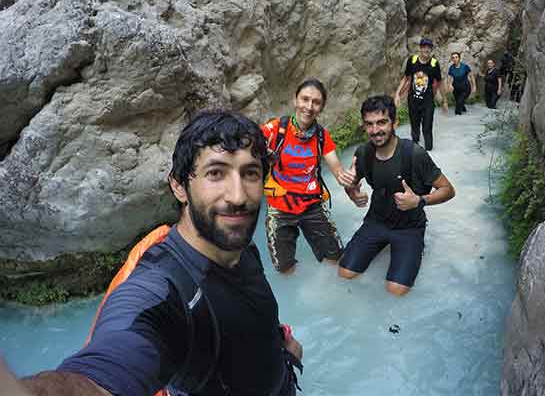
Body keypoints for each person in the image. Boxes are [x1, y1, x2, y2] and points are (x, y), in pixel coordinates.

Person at [0, 110, 303, 396]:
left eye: (250, 173)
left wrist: (279, 349)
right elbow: (103, 373)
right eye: (215, 173)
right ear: (179, 187)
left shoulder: (237, 243)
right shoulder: (161, 292)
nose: (237, 196)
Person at [338, 95, 455, 296]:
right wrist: (353, 194)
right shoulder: (363, 152)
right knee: (345, 274)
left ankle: (414, 248)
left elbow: (448, 190)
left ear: (395, 122)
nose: (375, 131)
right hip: (376, 221)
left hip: (408, 227)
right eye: (369, 124)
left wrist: (419, 200)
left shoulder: (414, 154)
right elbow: (352, 184)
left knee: (395, 291)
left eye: (382, 122)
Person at [262, 79, 356, 274]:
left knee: (335, 257)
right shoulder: (275, 129)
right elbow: (247, 144)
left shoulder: (321, 136)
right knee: (284, 267)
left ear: (321, 107)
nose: (309, 107)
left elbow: (337, 169)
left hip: (312, 205)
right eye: (305, 99)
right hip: (280, 207)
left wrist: (348, 180)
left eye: (316, 102)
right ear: (295, 100)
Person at [394, 37, 443, 151]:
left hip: (428, 102)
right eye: (424, 46)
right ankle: (415, 151)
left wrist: (443, 99)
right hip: (413, 101)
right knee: (415, 128)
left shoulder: (434, 64)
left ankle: (430, 153)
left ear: (431, 49)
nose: (426, 49)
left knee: (427, 128)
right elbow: (406, 78)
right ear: (420, 48)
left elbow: (439, 82)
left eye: (428, 47)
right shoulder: (412, 60)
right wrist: (397, 94)